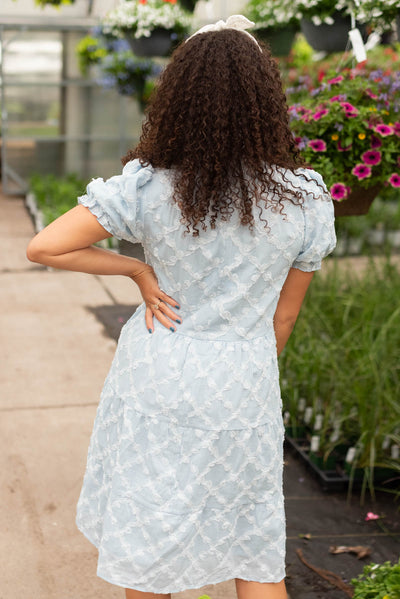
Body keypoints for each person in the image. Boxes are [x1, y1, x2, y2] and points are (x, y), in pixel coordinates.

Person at [26, 15, 336, 599]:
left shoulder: (147, 187)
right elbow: (285, 317)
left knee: (152, 534)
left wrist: (137, 268)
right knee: (254, 540)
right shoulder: (306, 198)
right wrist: (243, 366)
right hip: (244, 376)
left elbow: (46, 246)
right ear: (265, 100)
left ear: (181, 97)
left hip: (161, 370)